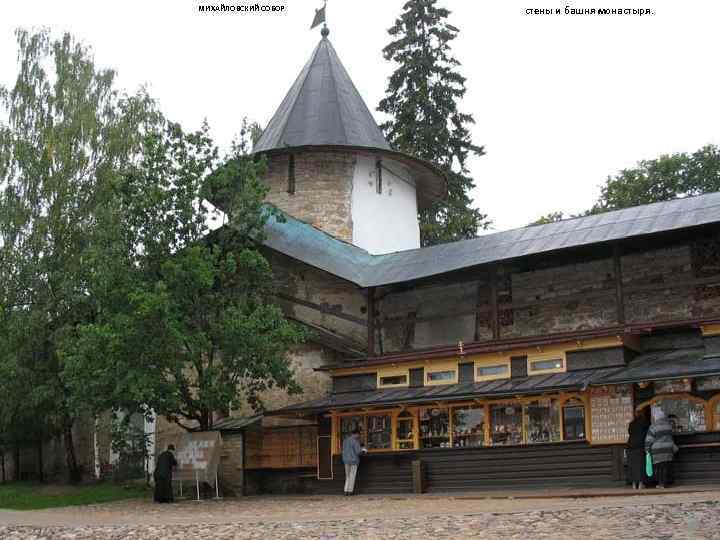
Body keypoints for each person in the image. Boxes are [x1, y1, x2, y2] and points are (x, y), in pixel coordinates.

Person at [645, 409, 678, 488]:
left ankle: (660, 484)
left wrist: (647, 449)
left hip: (657, 450)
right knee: (665, 466)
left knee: (658, 467)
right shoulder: (668, 425)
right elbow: (671, 437)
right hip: (667, 449)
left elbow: (649, 439)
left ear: (656, 417)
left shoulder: (653, 426)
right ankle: (664, 483)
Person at [627, 409, 650, 489]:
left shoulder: (631, 424)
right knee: (641, 465)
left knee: (632, 466)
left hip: (631, 446)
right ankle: (640, 483)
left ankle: (634, 484)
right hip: (640, 446)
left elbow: (629, 432)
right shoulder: (645, 423)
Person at [342, 428, 366, 496]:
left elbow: (343, 450)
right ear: (356, 434)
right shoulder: (355, 441)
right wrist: (363, 450)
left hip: (346, 460)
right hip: (353, 461)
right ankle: (350, 491)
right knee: (352, 476)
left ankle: (345, 490)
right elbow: (358, 452)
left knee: (347, 476)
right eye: (359, 435)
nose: (359, 436)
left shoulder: (345, 440)